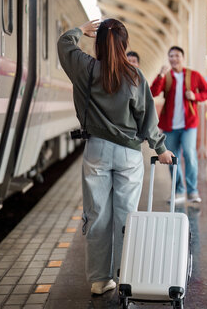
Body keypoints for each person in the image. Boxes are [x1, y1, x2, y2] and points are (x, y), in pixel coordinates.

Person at [57, 19, 174, 295]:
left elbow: (64, 44)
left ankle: (100, 280)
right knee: (127, 216)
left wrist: (79, 31)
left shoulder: (85, 68)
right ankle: (127, 276)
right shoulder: (135, 76)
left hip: (96, 149)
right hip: (128, 154)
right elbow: (147, 117)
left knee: (97, 215)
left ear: (97, 43)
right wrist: (161, 149)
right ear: (125, 45)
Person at [150, 46, 207, 204]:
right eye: (171, 56)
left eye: (177, 56)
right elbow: (153, 92)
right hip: (169, 126)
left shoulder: (194, 75)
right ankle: (178, 191)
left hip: (188, 124)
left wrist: (195, 96)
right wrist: (160, 75)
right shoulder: (166, 76)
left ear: (182, 58)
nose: (173, 59)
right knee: (172, 158)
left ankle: (192, 191)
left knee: (190, 155)